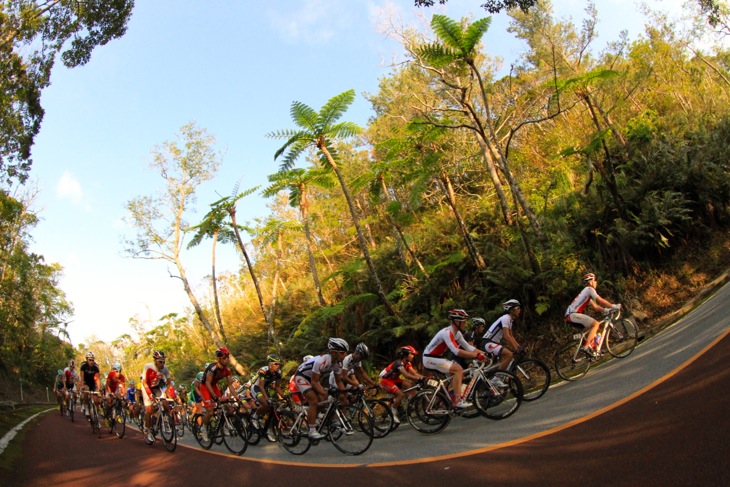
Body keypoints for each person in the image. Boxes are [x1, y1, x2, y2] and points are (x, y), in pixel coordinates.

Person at [422, 309, 488, 409]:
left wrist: (483, 353)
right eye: (464, 321)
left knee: (455, 376)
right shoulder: (447, 332)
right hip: (429, 358)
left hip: (436, 358)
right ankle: (457, 401)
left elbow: (468, 347)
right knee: (458, 370)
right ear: (457, 322)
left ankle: (444, 402)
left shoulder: (457, 333)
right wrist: (476, 356)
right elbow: (456, 351)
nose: (466, 324)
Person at [293, 338, 348, 440]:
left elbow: (339, 381)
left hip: (314, 378)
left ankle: (317, 420)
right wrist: (327, 395)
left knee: (323, 401)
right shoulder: (322, 361)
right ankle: (312, 431)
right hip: (302, 377)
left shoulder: (338, 364)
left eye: (345, 353)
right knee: (314, 400)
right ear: (333, 352)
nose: (344, 355)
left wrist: (345, 394)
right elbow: (314, 382)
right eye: (342, 353)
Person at [565, 273, 622, 357]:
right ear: (590, 281)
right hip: (572, 315)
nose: (596, 282)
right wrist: (614, 306)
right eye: (595, 280)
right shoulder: (589, 289)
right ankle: (586, 347)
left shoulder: (586, 293)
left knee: (593, 329)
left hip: (571, 316)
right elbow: (601, 300)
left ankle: (593, 350)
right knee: (596, 324)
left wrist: (606, 310)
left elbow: (595, 306)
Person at [378, 345, 426, 424]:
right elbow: (406, 375)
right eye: (412, 354)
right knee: (400, 394)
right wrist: (419, 379)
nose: (413, 356)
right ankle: (392, 413)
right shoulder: (398, 363)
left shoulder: (408, 363)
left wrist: (424, 377)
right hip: (385, 381)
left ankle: (409, 402)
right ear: (405, 355)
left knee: (408, 384)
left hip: (393, 380)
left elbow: (414, 373)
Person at [199, 347, 238, 442]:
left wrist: (237, 397)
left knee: (228, 407)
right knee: (211, 411)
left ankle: (225, 426)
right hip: (205, 387)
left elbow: (230, 384)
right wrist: (215, 397)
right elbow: (208, 383)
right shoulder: (212, 368)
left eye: (228, 357)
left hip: (214, 386)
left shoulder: (227, 370)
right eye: (225, 358)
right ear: (219, 358)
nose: (227, 360)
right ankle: (203, 428)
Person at [481, 300, 525, 379]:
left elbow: (511, 336)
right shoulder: (506, 318)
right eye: (518, 308)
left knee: (500, 363)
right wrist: (516, 349)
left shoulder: (510, 320)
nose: (520, 310)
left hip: (493, 343)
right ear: (512, 310)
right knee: (509, 355)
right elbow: (507, 336)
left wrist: (519, 347)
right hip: (488, 342)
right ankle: (496, 379)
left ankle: (495, 380)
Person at [140, 350, 172, 444]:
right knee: (149, 410)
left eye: (164, 361)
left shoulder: (165, 368)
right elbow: (144, 382)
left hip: (156, 387)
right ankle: (148, 430)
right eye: (160, 361)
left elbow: (169, 381)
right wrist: (149, 394)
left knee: (165, 404)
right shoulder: (148, 367)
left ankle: (165, 421)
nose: (162, 364)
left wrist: (166, 390)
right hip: (147, 387)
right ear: (155, 361)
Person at [250, 353, 285, 429]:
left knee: (272, 407)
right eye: (275, 364)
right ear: (270, 364)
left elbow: (277, 386)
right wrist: (267, 399)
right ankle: (254, 417)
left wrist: (283, 396)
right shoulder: (263, 371)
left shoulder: (278, 372)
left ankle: (265, 422)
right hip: (256, 387)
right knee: (266, 404)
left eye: (278, 364)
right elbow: (261, 386)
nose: (278, 366)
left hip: (265, 388)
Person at [78, 351, 102, 421]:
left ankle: (95, 414)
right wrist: (82, 386)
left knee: (96, 399)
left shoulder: (96, 367)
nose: (91, 361)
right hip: (85, 382)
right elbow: (81, 377)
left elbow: (97, 379)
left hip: (93, 383)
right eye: (90, 360)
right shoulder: (83, 366)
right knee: (86, 390)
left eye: (92, 360)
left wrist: (99, 389)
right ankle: (86, 406)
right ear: (87, 359)